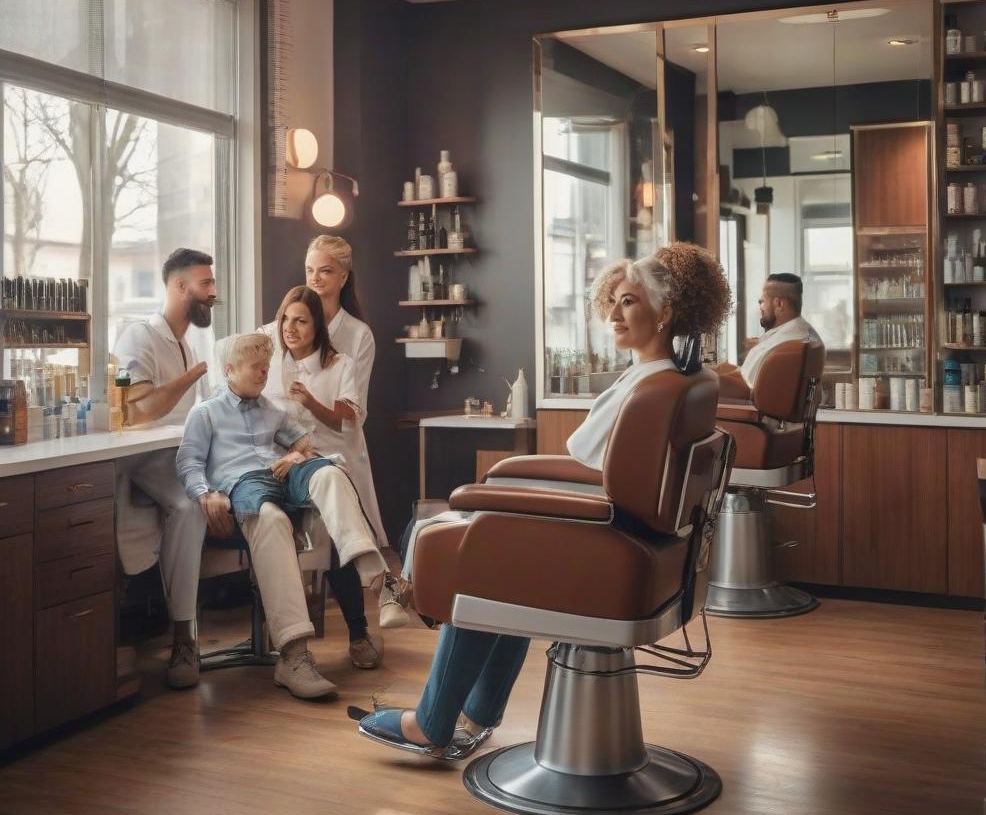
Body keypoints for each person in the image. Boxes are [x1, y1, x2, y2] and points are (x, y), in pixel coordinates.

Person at [356, 242, 732, 758]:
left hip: (610, 539)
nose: (614, 314)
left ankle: (431, 723)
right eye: (613, 302)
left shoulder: (647, 388)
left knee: (490, 554)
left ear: (665, 313)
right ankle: (478, 713)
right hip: (655, 545)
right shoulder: (684, 379)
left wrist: (490, 497)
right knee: (507, 545)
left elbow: (589, 465)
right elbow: (606, 474)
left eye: (629, 302)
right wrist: (507, 487)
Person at [176, 332, 409, 697]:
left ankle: (383, 585)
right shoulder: (205, 413)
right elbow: (188, 462)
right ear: (230, 370)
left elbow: (305, 446)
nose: (263, 375)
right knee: (272, 520)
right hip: (243, 486)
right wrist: (205, 495)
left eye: (266, 368)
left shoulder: (274, 410)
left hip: (280, 473)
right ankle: (294, 655)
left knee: (331, 473)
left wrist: (295, 455)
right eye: (255, 368)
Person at [262, 285, 406, 672]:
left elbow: (346, 419)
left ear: (318, 326)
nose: (290, 329)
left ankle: (358, 634)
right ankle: (382, 585)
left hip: (325, 460)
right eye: (285, 320)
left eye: (301, 321)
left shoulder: (338, 364)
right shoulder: (269, 361)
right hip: (279, 466)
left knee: (331, 532)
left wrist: (309, 400)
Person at [113, 247, 220, 689]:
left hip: (176, 454)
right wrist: (193, 376)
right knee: (190, 506)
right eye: (206, 284)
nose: (213, 293)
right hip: (142, 458)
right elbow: (139, 412)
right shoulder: (140, 337)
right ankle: (184, 639)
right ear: (180, 287)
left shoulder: (183, 341)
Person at [300, 236, 408, 631]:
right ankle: (379, 597)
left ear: (344, 276)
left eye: (325, 271)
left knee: (350, 524)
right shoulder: (293, 322)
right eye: (310, 270)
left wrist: (313, 405)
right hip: (298, 445)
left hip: (341, 443)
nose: (316, 279)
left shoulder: (358, 335)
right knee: (332, 532)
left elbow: (352, 413)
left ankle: (376, 603)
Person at [714, 272, 823, 401]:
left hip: (751, 412)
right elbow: (745, 376)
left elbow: (746, 389)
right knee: (720, 368)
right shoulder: (800, 331)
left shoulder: (785, 343)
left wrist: (703, 380)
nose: (761, 307)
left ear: (779, 304)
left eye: (763, 301)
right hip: (756, 398)